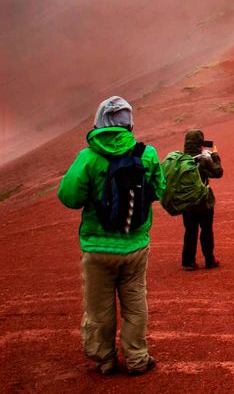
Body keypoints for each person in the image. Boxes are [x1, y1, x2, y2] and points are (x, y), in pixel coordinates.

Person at [57, 96, 164, 376]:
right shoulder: (147, 154)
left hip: (97, 247)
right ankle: (138, 359)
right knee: (135, 303)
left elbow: (69, 197)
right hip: (136, 245)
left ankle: (105, 360)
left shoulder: (88, 157)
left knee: (99, 308)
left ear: (100, 121)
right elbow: (161, 190)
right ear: (129, 122)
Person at [181, 129, 223, 271]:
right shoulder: (203, 159)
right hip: (204, 202)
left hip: (187, 202)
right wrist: (215, 155)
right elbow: (218, 172)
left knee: (190, 231)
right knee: (206, 230)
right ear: (200, 143)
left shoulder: (181, 160)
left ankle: (188, 261)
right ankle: (209, 260)